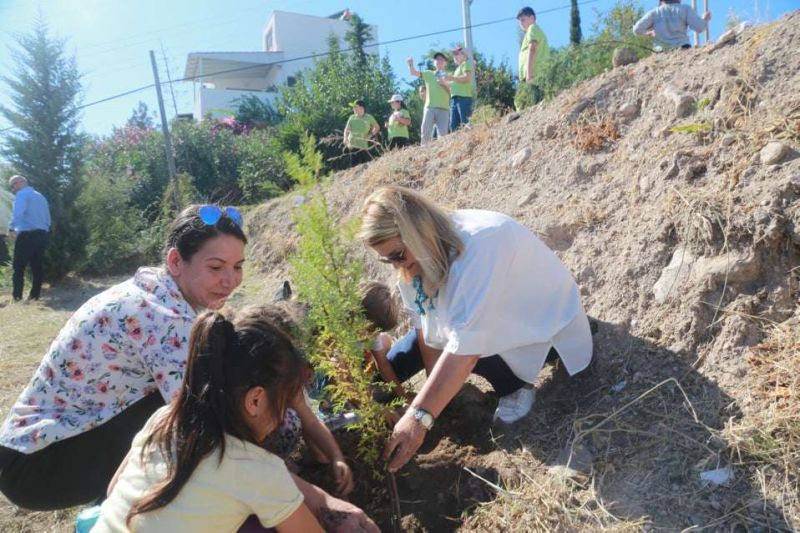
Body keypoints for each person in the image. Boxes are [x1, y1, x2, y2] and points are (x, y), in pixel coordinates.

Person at [0, 206, 377, 531]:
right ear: (175, 261)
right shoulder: (163, 319)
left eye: (237, 266)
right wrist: (312, 497)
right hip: (40, 464)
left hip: (46, 448)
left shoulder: (157, 290)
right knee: (195, 418)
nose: (230, 280)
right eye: (216, 267)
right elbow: (214, 428)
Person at [358, 186, 593, 472]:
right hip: (487, 322)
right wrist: (439, 402)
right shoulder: (417, 258)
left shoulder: (480, 245)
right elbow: (424, 328)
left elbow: (465, 348)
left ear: (415, 232)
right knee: (413, 350)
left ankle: (515, 387)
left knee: (461, 344)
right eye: (388, 260)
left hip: (543, 328)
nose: (397, 266)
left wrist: (419, 418)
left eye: (397, 254)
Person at [93, 308, 324, 533]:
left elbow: (113, 490)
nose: (283, 416)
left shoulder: (164, 419)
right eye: (284, 404)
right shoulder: (259, 471)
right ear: (255, 400)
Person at [7, 175, 51, 301]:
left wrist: (11, 228)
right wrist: (45, 230)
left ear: (20, 182)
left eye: (13, 185)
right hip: (42, 234)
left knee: (18, 266)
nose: (13, 189)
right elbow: (47, 217)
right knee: (37, 266)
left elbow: (18, 213)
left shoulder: (22, 195)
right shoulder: (40, 196)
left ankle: (17, 297)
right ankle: (34, 296)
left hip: (27, 234)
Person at [407, 53, 451, 144]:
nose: (439, 61)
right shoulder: (429, 73)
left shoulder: (449, 75)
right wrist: (410, 64)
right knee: (425, 131)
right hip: (429, 107)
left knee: (443, 134)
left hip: (444, 108)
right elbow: (413, 73)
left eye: (441, 59)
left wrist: (444, 83)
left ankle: (442, 153)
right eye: (437, 59)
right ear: (434, 62)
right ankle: (424, 152)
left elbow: (453, 91)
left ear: (445, 63)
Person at [633, 0, 711, 49]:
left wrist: (648, 33)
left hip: (661, 51)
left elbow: (637, 29)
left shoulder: (654, 12)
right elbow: (700, 28)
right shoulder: (685, 9)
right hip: (682, 48)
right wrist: (705, 19)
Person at [517, 7, 551, 106]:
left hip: (534, 74)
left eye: (523, 19)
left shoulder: (533, 28)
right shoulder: (531, 32)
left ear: (532, 18)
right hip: (533, 74)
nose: (521, 23)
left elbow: (532, 49)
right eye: (519, 21)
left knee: (531, 102)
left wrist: (529, 74)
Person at [443, 46, 474, 131]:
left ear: (464, 55)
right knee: (453, 126)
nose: (454, 56)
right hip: (455, 99)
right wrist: (443, 82)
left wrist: (452, 78)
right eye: (453, 54)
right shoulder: (457, 69)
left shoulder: (466, 63)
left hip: (463, 98)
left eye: (456, 53)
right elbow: (454, 83)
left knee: (465, 123)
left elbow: (467, 78)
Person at [344, 100, 379, 167]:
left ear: (362, 108)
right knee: (353, 167)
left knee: (365, 166)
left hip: (363, 146)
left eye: (355, 107)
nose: (353, 109)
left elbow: (377, 127)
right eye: (353, 107)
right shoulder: (352, 117)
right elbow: (346, 129)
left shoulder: (368, 117)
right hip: (352, 146)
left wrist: (370, 135)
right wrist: (345, 138)